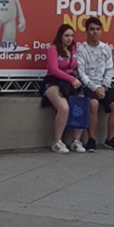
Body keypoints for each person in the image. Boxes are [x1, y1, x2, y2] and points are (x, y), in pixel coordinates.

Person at [76, 16, 114, 151]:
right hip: (88, 85)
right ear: (86, 31)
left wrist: (104, 86)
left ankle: (110, 139)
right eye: (92, 29)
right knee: (93, 104)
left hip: (103, 85)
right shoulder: (81, 49)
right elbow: (81, 73)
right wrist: (94, 88)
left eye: (98, 29)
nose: (95, 32)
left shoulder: (106, 48)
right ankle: (91, 139)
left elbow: (109, 69)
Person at [40, 24, 86, 154]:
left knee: (81, 104)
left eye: (71, 36)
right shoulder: (53, 49)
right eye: (66, 35)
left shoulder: (75, 49)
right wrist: (71, 79)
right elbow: (54, 69)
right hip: (53, 81)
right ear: (60, 36)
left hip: (71, 81)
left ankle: (76, 141)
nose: (69, 38)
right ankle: (57, 142)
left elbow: (78, 67)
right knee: (64, 107)